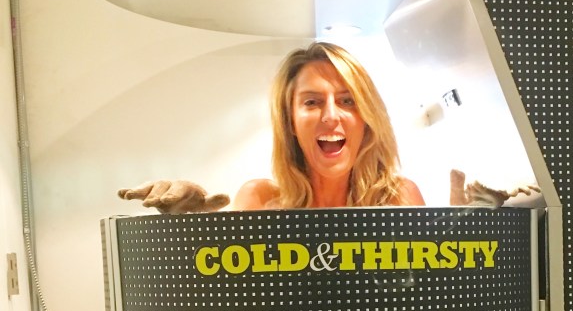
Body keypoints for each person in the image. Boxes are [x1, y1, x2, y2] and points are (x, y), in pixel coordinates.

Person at [118, 41, 425, 213]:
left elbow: (424, 298)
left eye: (348, 101)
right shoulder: (260, 200)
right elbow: (228, 296)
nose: (331, 116)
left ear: (367, 119)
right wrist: (189, 230)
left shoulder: (399, 198)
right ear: (290, 121)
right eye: (312, 102)